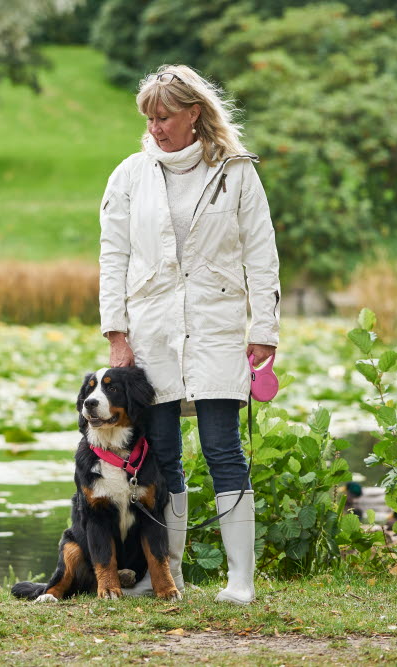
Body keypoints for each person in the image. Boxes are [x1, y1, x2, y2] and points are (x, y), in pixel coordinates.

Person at [98, 65, 280, 604]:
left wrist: (264, 329)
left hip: (218, 328)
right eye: (149, 119)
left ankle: (240, 581)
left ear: (194, 113)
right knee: (164, 458)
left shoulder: (236, 172)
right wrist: (117, 335)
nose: (155, 128)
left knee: (225, 449)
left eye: (165, 117)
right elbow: (113, 258)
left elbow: (262, 256)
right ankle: (167, 577)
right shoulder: (128, 176)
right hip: (150, 333)